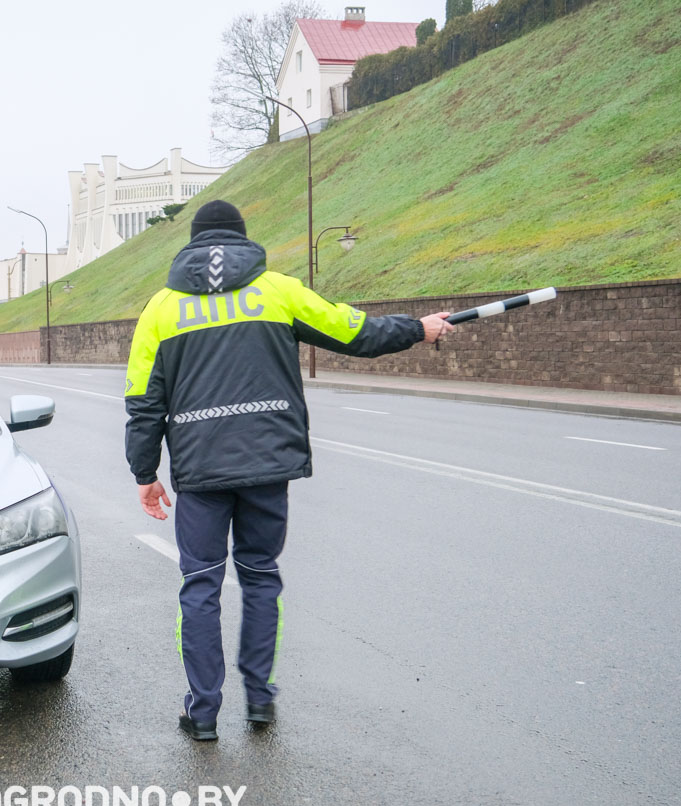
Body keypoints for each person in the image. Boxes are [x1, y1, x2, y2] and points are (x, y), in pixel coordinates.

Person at [124, 200, 452, 742]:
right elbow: (356, 332)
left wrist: (144, 471)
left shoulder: (160, 309)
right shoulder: (277, 290)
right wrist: (418, 328)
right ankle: (260, 702)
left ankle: (202, 712)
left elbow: (142, 399)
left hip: (201, 472)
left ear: (193, 243)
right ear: (242, 240)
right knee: (259, 576)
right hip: (266, 466)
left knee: (200, 584)